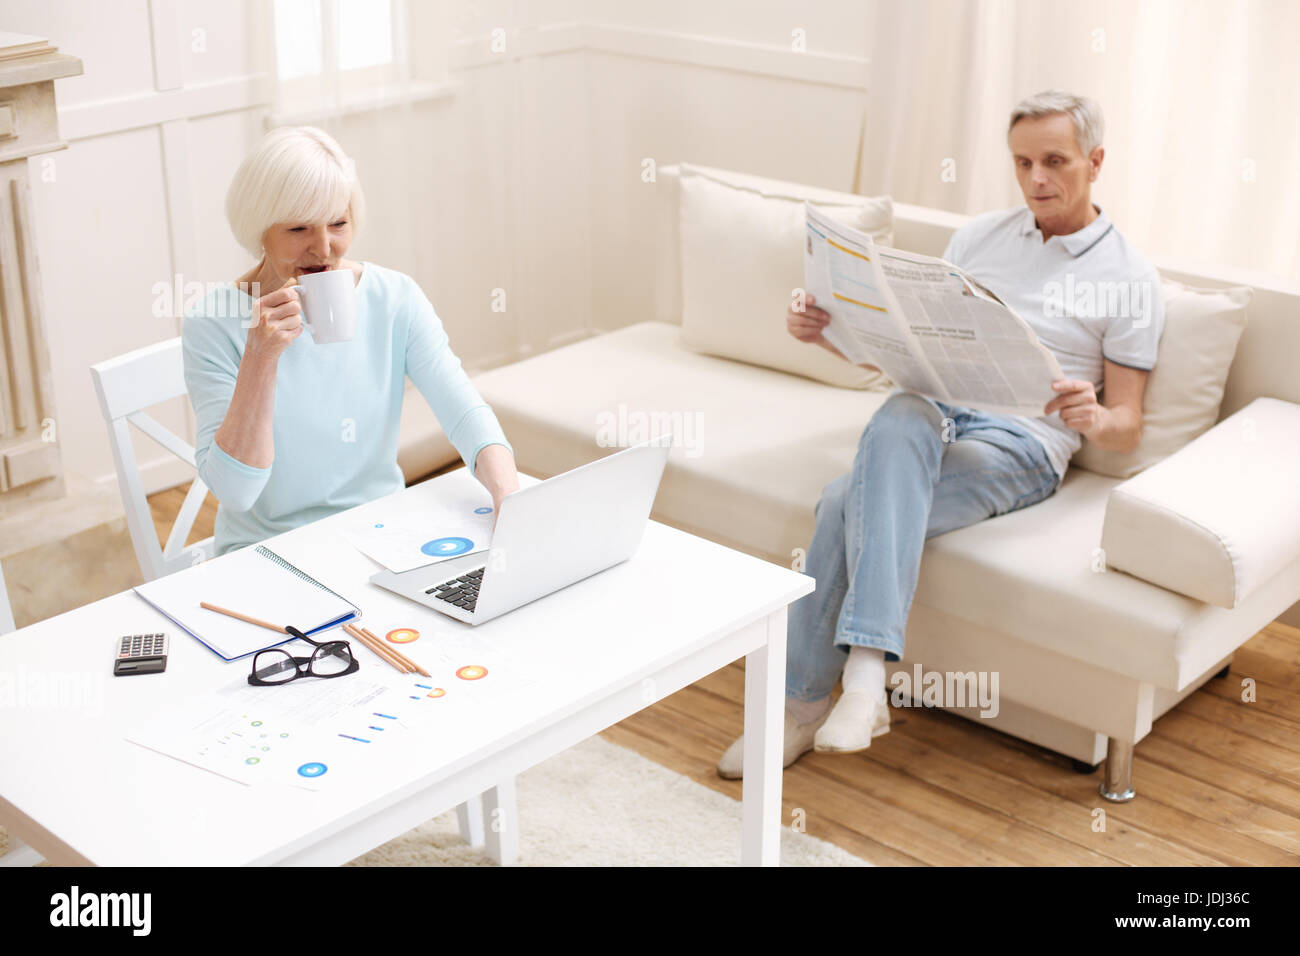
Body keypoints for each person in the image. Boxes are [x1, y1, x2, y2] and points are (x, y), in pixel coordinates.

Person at [717, 90, 1164, 777]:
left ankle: (809, 703)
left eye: (1055, 161)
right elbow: (902, 354)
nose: (1037, 180)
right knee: (902, 409)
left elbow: (1127, 427)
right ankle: (862, 688)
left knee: (843, 504)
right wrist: (826, 332)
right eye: (1022, 163)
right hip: (937, 414)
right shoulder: (980, 237)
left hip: (1020, 446)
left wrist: (1094, 416)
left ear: (1096, 161)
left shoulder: (1130, 277)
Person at [183, 126, 518, 556]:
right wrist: (260, 358)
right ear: (258, 229)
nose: (323, 248)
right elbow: (236, 493)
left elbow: (464, 410)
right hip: (268, 552)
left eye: (338, 223)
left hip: (382, 535)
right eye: (299, 228)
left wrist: (508, 495)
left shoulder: (394, 298)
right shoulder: (212, 324)